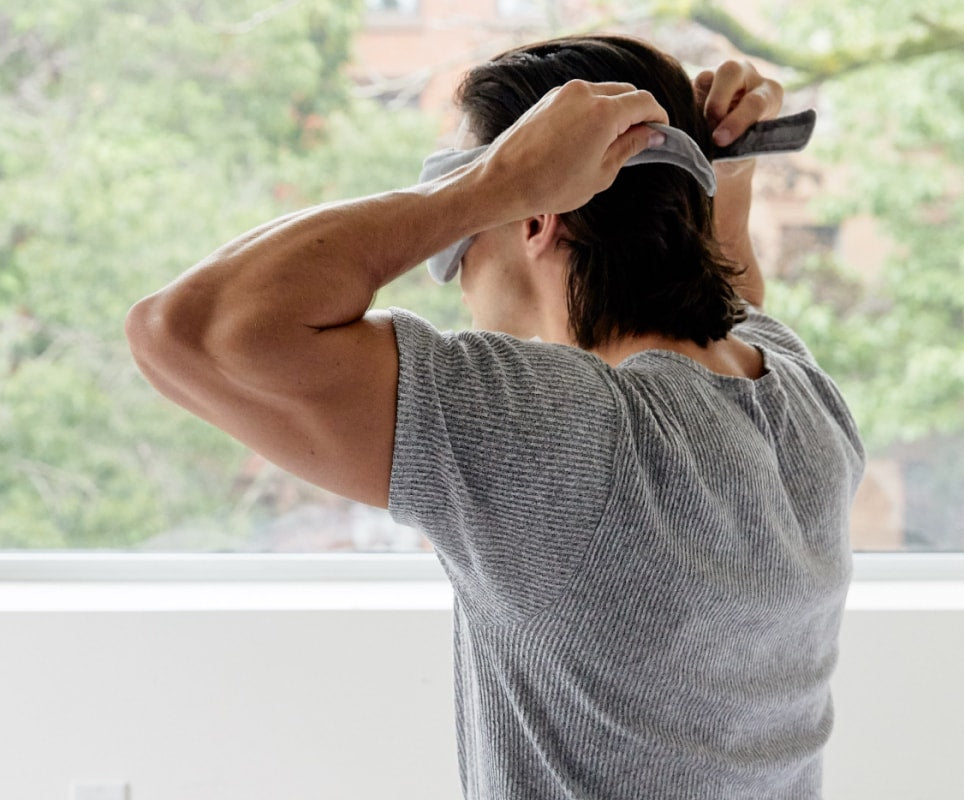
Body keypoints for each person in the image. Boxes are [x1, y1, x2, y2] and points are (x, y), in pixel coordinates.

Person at [126, 34, 864, 800]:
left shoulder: (569, 433)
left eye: (459, 245)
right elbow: (730, 298)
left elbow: (181, 328)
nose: (457, 278)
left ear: (538, 216)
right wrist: (727, 169)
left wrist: (476, 190)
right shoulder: (796, 396)